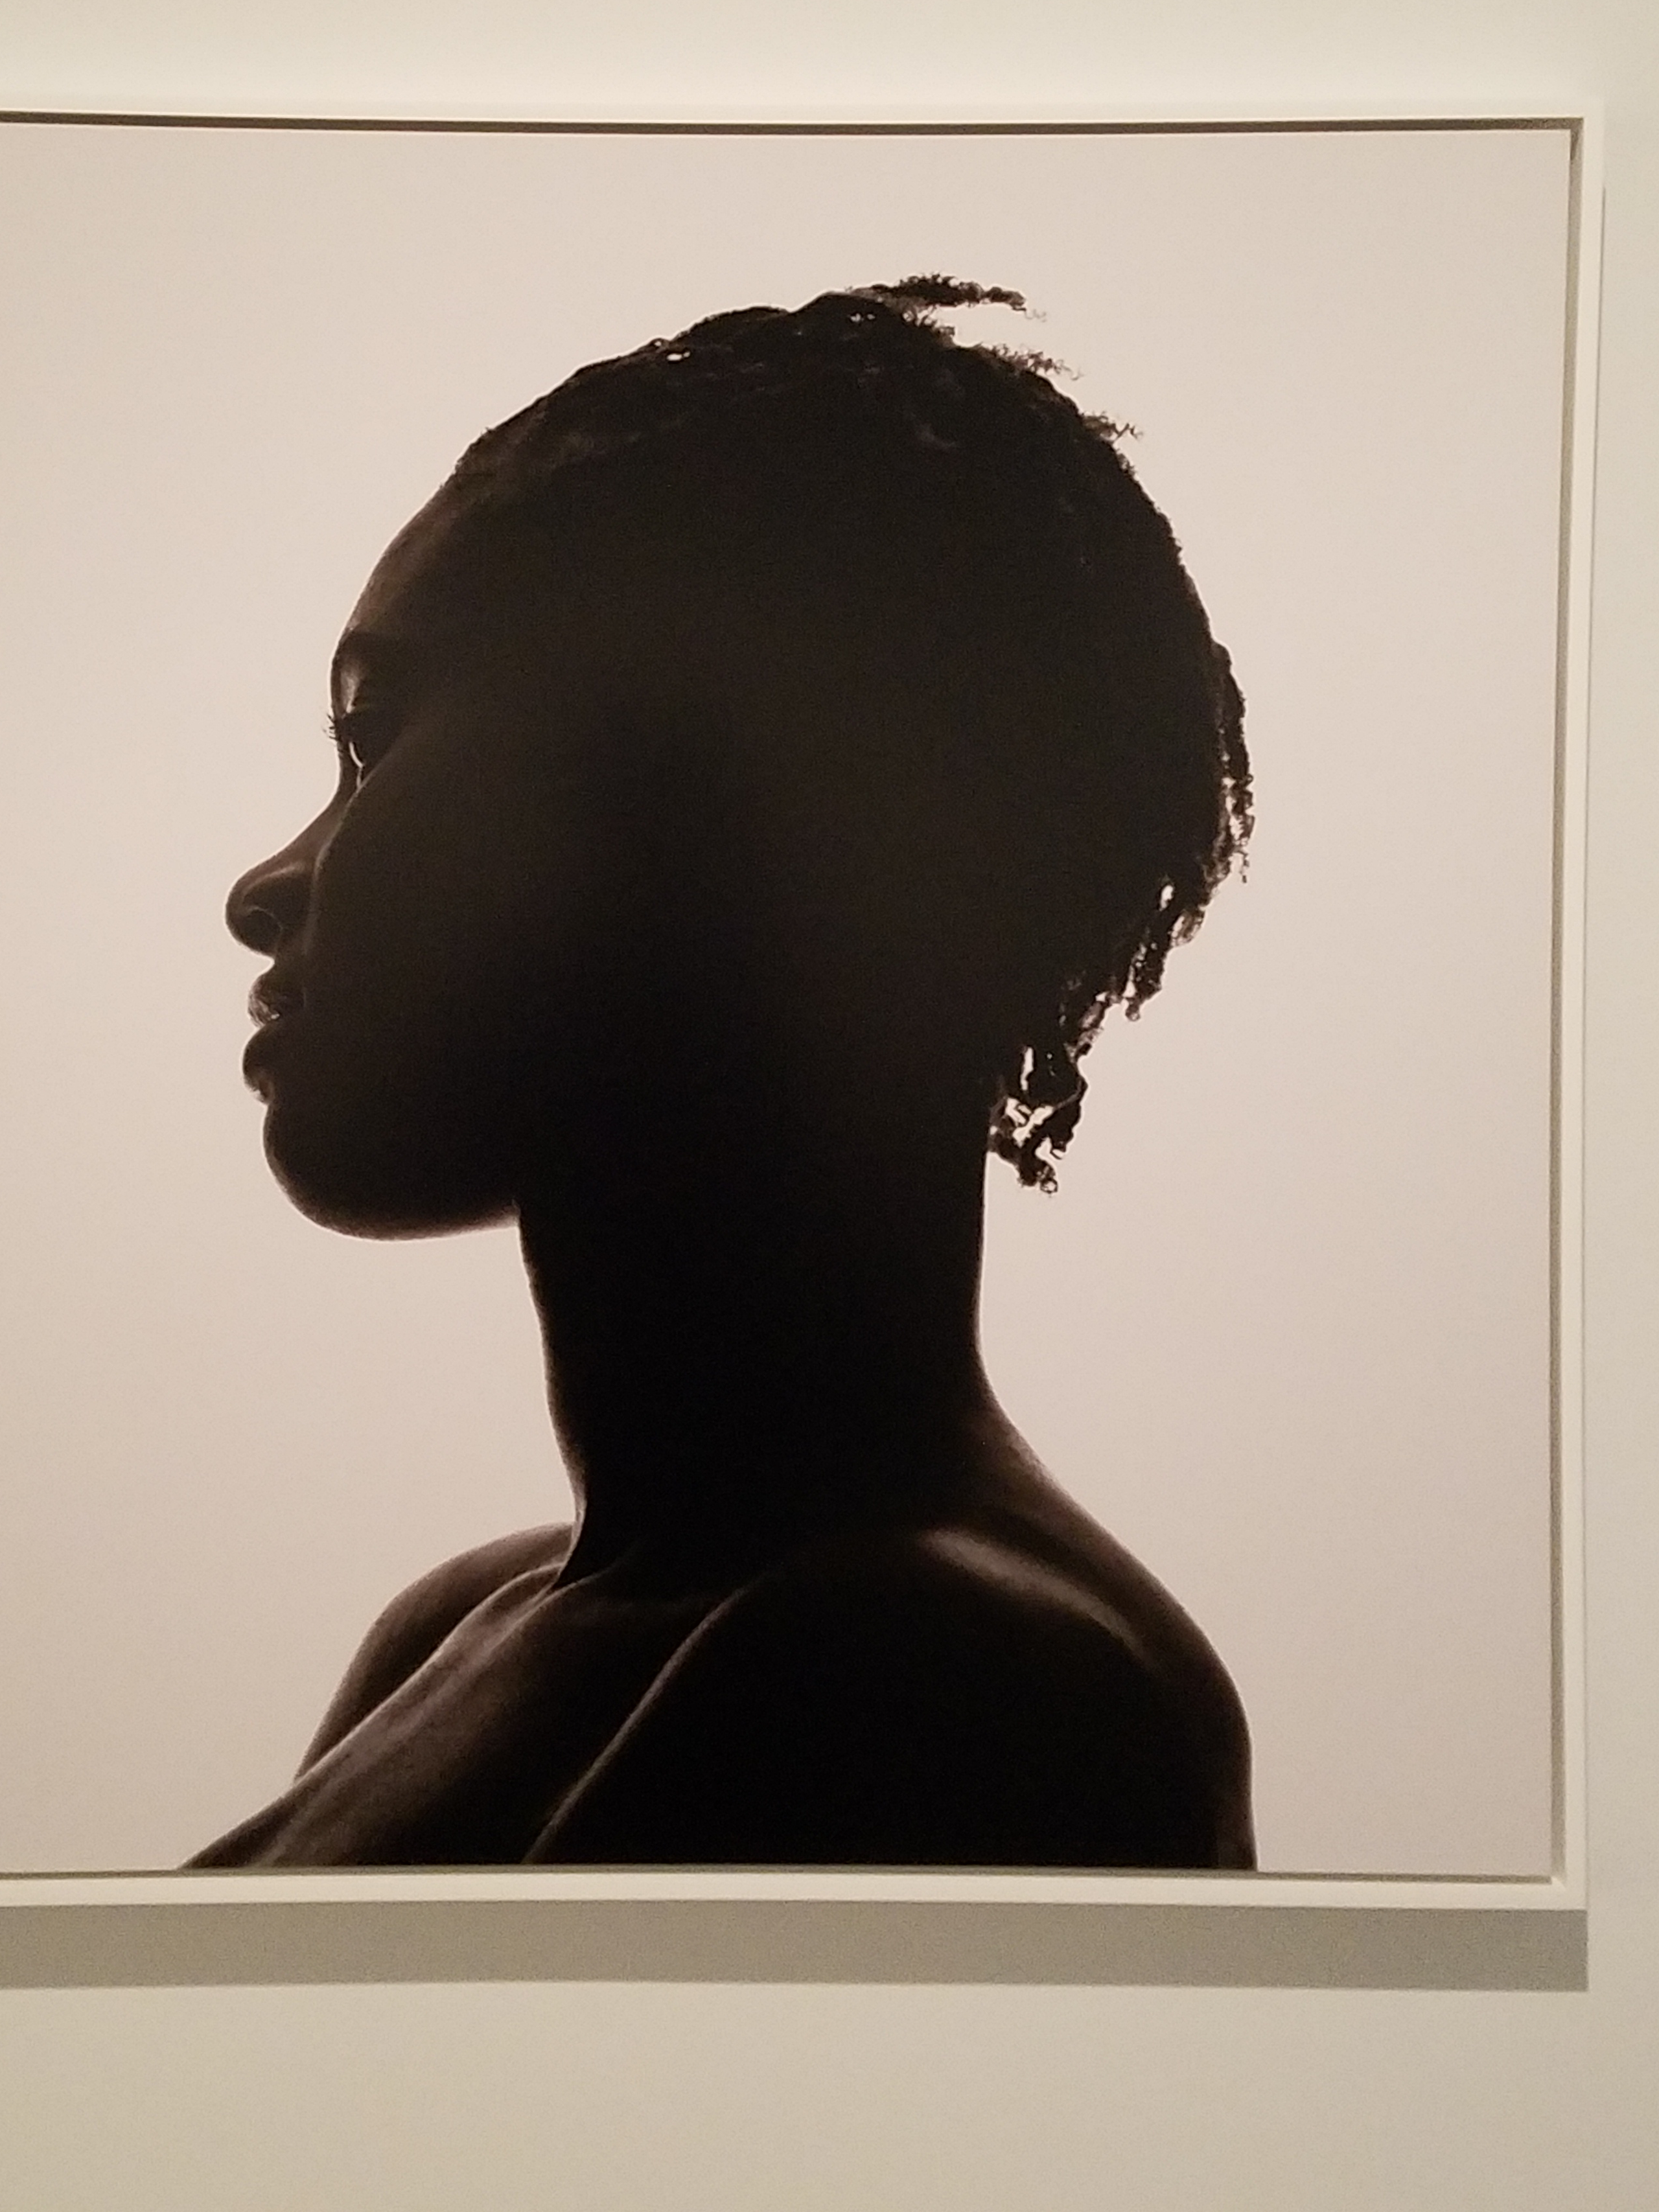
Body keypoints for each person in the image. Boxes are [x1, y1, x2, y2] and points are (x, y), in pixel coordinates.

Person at [191, 278, 1255, 1870]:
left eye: (377, 736)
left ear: (718, 803)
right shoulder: (458, 1634)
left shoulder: (947, 1675)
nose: (264, 887)